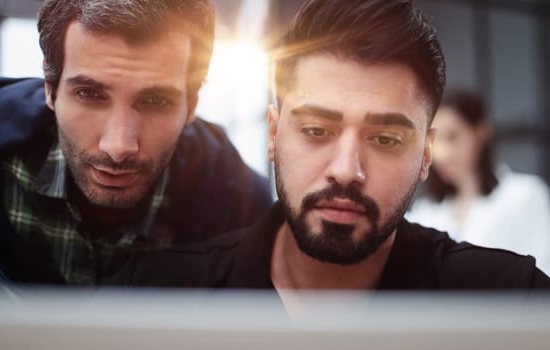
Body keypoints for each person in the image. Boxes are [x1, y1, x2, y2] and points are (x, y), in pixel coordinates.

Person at [114, 0, 550, 304]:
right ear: (272, 132)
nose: (346, 171)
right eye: (317, 129)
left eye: (385, 140)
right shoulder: (160, 293)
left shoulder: (507, 298)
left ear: (425, 155)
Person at [0, 0, 272, 287]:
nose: (118, 147)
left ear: (191, 106)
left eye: (156, 101)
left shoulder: (242, 209)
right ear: (50, 90)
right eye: (89, 94)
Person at [406, 89, 550, 275]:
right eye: (434, 142)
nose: (442, 154)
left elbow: (545, 272)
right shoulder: (425, 210)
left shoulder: (525, 195)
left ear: (481, 132)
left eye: (453, 137)